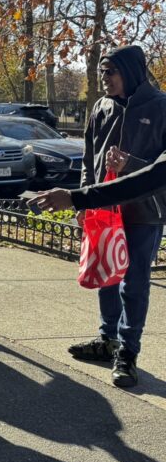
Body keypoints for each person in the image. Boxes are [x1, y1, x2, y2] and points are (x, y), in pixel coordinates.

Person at [27, 45, 166, 388]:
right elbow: (89, 158)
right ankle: (108, 340)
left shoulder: (161, 107)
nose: (104, 79)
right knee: (105, 272)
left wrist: (128, 164)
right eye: (102, 72)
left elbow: (158, 173)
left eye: (111, 72)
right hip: (102, 207)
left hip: (144, 211)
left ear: (131, 72)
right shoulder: (102, 107)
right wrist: (84, 203)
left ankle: (128, 351)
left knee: (134, 281)